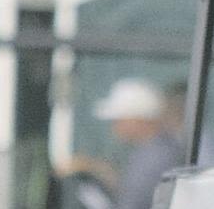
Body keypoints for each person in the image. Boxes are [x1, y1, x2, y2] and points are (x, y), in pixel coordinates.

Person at [78, 78, 182, 209]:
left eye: (118, 119)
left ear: (138, 119)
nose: (114, 126)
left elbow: (134, 201)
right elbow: (130, 189)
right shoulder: (152, 150)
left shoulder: (156, 156)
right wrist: (94, 167)